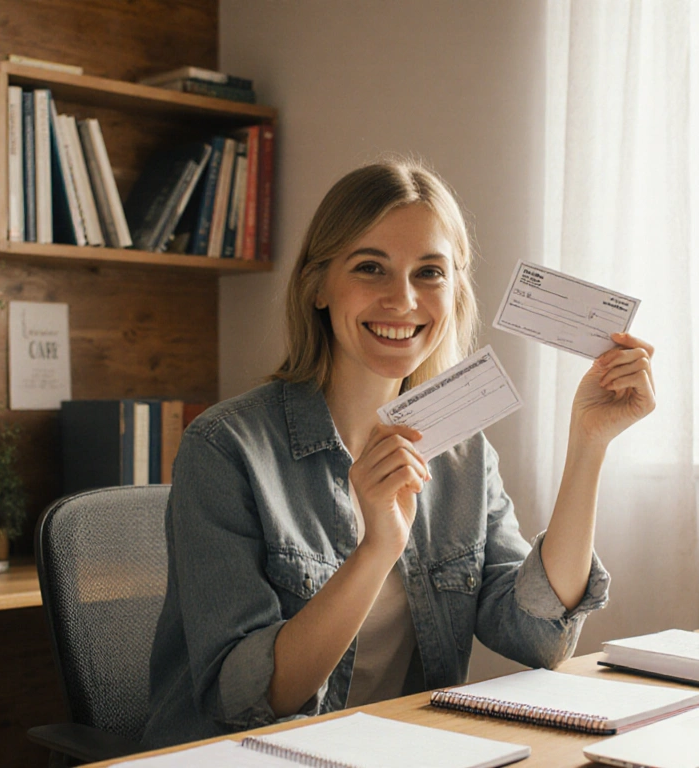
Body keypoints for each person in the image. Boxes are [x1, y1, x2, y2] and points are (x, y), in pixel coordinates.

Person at [142, 158, 656, 748]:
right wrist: (377, 548)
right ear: (317, 285)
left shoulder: (462, 454)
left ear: (455, 292)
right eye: (370, 268)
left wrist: (589, 444)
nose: (402, 299)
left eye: (430, 272)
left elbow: (536, 634)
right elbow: (250, 697)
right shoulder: (225, 447)